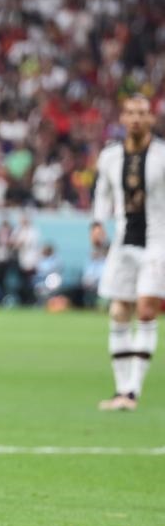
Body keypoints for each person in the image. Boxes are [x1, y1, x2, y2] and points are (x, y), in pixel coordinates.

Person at [91, 94, 165, 411]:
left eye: (142, 113)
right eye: (131, 113)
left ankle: (133, 391)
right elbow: (102, 193)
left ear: (150, 119)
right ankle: (121, 390)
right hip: (123, 242)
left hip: (157, 242)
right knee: (119, 311)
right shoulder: (110, 157)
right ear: (122, 118)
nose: (136, 118)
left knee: (146, 309)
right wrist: (97, 223)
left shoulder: (161, 156)